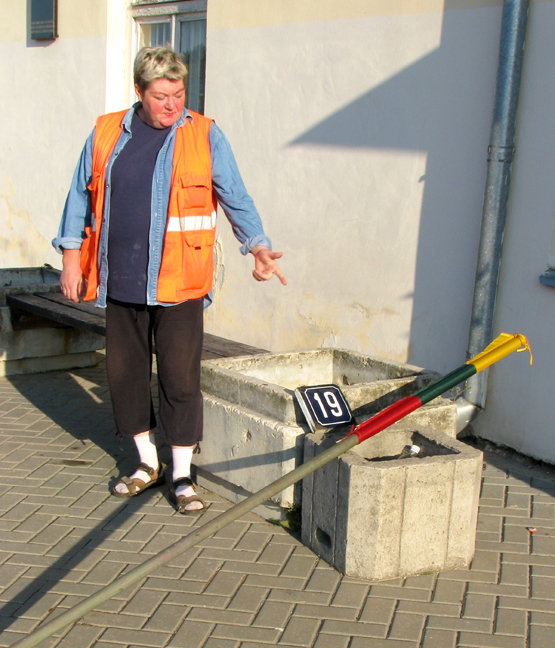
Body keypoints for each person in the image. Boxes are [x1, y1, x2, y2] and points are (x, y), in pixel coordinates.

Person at [53, 46, 286, 514]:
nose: (172, 105)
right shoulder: (105, 132)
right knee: (125, 376)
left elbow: (235, 197)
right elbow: (79, 196)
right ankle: (145, 464)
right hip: (120, 281)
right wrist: (71, 259)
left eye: (178, 94)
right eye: (161, 96)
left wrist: (257, 247)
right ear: (139, 92)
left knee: (180, 380)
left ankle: (182, 475)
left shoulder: (204, 135)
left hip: (180, 282)